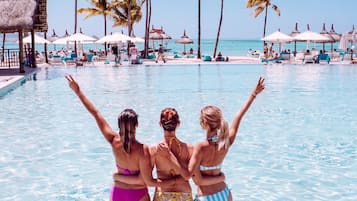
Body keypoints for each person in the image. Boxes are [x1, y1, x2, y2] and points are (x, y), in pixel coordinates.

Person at [65, 75, 177, 201]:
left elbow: (96, 113)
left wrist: (78, 92)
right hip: (137, 194)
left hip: (117, 193)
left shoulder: (113, 140)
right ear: (137, 125)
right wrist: (171, 181)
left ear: (119, 125)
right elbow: (148, 181)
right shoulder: (143, 150)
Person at [113, 108, 225, 201]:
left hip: (163, 196)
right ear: (178, 124)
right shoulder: (190, 148)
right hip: (184, 195)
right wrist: (220, 177)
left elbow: (149, 181)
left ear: (160, 124)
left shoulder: (153, 150)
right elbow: (192, 177)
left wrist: (118, 176)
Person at [188, 77, 265, 201]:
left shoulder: (200, 147)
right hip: (224, 193)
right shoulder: (225, 142)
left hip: (205, 197)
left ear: (204, 124)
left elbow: (196, 180)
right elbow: (239, 116)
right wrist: (253, 94)